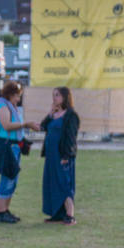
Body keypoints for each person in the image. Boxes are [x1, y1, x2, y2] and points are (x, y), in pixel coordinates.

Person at [0, 79, 40, 225]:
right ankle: (1, 212)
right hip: (7, 146)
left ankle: (6, 210)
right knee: (8, 177)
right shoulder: (2, 105)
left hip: (14, 146)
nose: (18, 99)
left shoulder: (9, 105)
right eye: (17, 96)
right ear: (10, 94)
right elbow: (6, 125)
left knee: (12, 178)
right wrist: (26, 124)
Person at [40, 86, 80, 225]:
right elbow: (43, 126)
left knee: (64, 183)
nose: (54, 98)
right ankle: (57, 214)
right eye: (53, 95)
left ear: (65, 97)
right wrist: (50, 113)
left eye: (57, 95)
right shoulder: (55, 114)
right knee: (52, 183)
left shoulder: (71, 115)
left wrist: (66, 156)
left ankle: (70, 215)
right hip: (51, 156)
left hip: (62, 155)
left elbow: (71, 137)